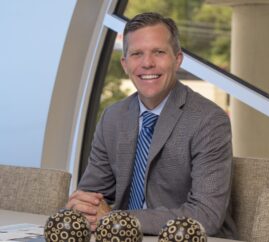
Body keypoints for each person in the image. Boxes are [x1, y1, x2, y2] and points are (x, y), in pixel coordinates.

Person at [66, 12, 237, 239]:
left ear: (177, 59)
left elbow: (206, 215)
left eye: (158, 52)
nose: (147, 63)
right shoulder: (112, 118)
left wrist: (117, 219)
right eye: (137, 54)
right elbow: (92, 195)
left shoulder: (208, 120)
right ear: (125, 64)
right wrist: (83, 205)